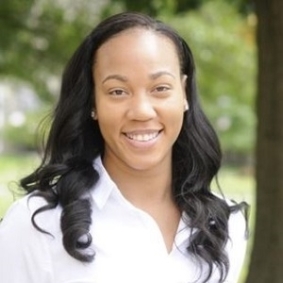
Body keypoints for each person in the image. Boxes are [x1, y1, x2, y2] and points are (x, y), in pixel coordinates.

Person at [0, 12, 248, 283]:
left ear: (185, 93)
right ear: (92, 101)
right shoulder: (37, 224)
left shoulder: (224, 226)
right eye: (118, 91)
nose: (141, 111)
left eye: (160, 88)